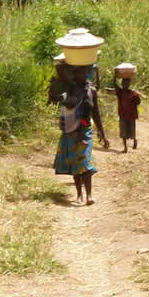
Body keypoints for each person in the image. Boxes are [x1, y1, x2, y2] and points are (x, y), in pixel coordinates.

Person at [53, 64, 107, 205]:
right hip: (70, 131)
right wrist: (67, 62)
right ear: (74, 74)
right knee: (75, 165)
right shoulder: (70, 88)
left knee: (85, 162)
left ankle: (89, 195)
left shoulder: (92, 91)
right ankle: (79, 195)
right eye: (79, 73)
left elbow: (96, 113)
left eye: (84, 73)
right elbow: (59, 70)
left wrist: (103, 134)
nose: (82, 76)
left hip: (85, 132)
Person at [113, 73, 142, 153]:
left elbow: (138, 103)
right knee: (123, 132)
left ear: (129, 84)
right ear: (122, 84)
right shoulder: (120, 92)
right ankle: (125, 147)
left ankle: (135, 140)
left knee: (132, 130)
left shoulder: (133, 93)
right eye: (124, 83)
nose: (125, 84)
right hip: (122, 115)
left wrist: (138, 96)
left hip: (131, 116)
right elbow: (114, 84)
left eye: (127, 83)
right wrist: (115, 75)